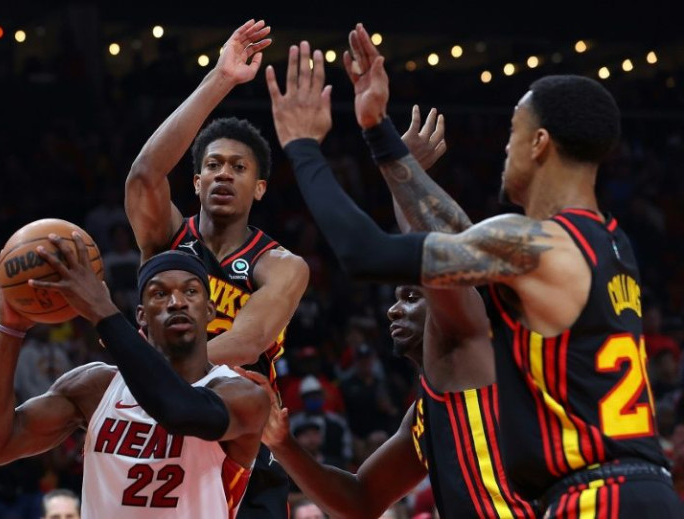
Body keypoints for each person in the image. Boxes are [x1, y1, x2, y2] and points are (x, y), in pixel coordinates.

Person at [275, 23, 682, 517]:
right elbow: (458, 236)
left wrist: (301, 149)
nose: (505, 150)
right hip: (642, 488)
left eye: (513, 135)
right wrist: (380, 135)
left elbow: (367, 254)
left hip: (598, 496)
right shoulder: (609, 242)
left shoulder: (536, 246)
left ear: (539, 143)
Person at [251, 39, 536, 518]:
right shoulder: (429, 408)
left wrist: (391, 160)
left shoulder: (472, 349)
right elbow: (362, 502)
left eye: (409, 297)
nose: (392, 308)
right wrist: (283, 444)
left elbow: (437, 261)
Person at [125, 19, 309, 517]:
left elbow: (247, 343)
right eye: (213, 164)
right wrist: (221, 79)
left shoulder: (281, 266)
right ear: (197, 180)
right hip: (160, 425)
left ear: (260, 188)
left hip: (238, 435)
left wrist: (146, 377)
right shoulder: (167, 237)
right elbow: (144, 176)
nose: (224, 172)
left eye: (239, 167)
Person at [0, 237, 270, 518]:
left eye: (190, 291)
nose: (177, 301)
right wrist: (9, 327)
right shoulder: (96, 388)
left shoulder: (242, 396)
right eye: (159, 293)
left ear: (209, 311)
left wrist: (102, 310)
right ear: (141, 315)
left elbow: (180, 410)